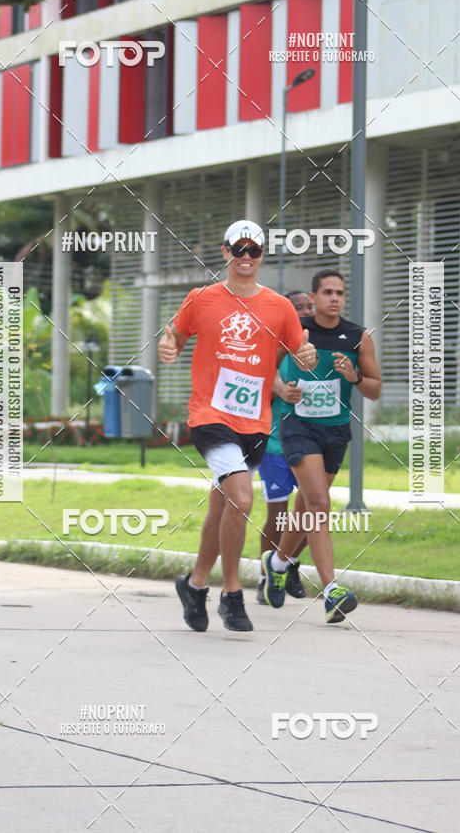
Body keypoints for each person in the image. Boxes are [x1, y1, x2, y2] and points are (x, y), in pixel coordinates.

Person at [158, 220, 317, 632]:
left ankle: (193, 585)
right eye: (239, 248)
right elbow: (173, 335)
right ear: (226, 251)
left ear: (262, 255)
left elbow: (299, 348)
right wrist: (167, 345)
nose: (247, 257)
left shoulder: (280, 307)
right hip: (210, 417)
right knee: (243, 500)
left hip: (255, 422)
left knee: (222, 504)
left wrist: (307, 357)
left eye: (255, 250)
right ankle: (231, 594)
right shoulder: (202, 299)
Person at [262, 269, 382, 623]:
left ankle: (279, 561)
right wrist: (283, 390)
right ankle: (331, 590)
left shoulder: (358, 336)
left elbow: (375, 387)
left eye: (340, 293)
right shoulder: (294, 331)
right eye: (327, 292)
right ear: (312, 298)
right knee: (319, 502)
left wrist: (354, 377)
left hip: (335, 431)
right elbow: (263, 369)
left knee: (306, 506)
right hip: (297, 426)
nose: (335, 298)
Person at [256, 291, 313, 604]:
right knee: (278, 515)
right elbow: (261, 388)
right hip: (276, 443)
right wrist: (279, 389)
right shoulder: (274, 348)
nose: (304, 311)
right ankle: (267, 581)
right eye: (297, 307)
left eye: (308, 306)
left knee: (313, 512)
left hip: (312, 443)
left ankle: (285, 562)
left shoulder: (319, 349)